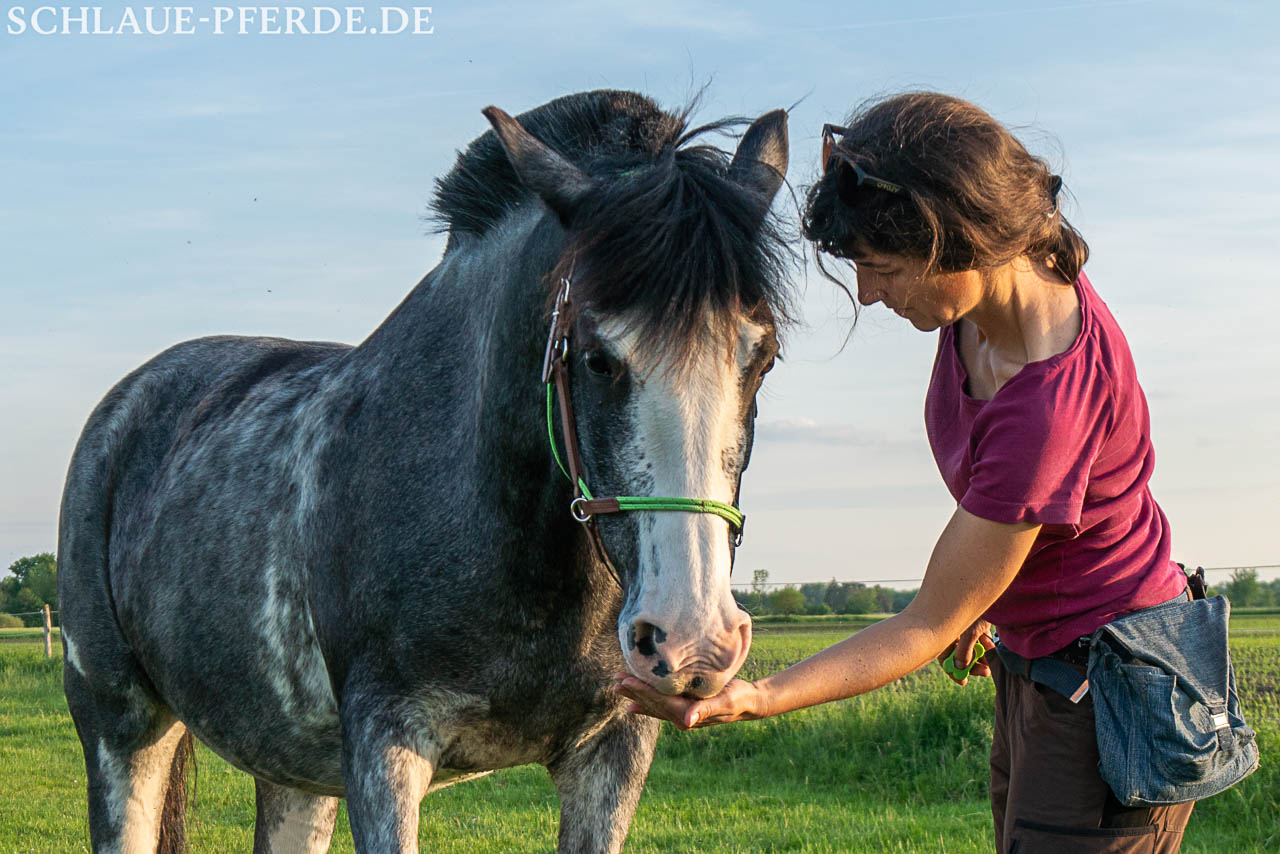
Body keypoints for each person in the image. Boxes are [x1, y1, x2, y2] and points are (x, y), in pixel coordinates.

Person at [614, 92, 1198, 853]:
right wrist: (991, 595)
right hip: (1040, 663)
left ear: (951, 241)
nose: (866, 293)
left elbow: (926, 620)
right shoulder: (1001, 292)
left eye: (880, 267)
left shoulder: (1046, 405)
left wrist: (759, 697)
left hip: (1111, 689)